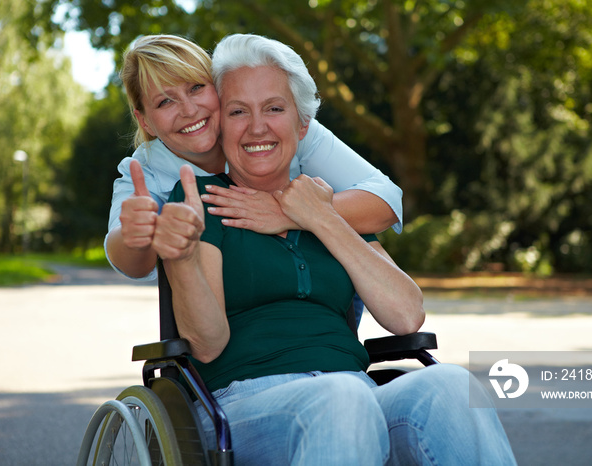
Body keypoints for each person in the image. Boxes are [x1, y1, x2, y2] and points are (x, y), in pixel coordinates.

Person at [158, 33, 516, 465]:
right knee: (342, 397)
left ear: (302, 124)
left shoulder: (326, 203)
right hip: (243, 405)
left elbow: (406, 314)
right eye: (238, 112)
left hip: (355, 391)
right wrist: (181, 257)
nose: (257, 127)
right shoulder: (204, 199)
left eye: (274, 108)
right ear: (221, 124)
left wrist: (319, 218)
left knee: (451, 385)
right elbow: (207, 345)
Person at [106, 34, 404, 284]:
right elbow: (129, 260)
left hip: (321, 294)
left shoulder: (283, 125)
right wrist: (135, 236)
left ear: (219, 89)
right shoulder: (145, 172)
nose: (188, 110)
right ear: (144, 121)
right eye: (164, 101)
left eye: (196, 87)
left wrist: (285, 212)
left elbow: (387, 202)